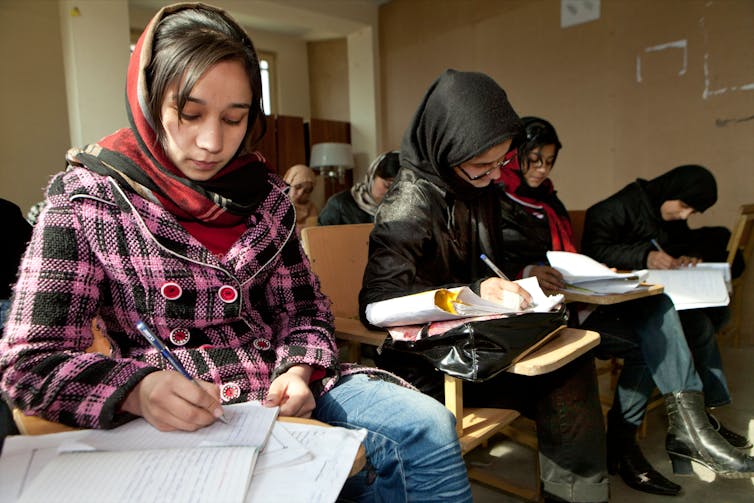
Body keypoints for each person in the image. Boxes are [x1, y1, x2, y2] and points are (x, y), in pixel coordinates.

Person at [0, 5, 474, 501]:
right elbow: (30, 364)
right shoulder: (87, 200)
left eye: (234, 118)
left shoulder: (265, 195)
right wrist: (137, 390)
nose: (211, 142)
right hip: (170, 419)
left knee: (427, 425)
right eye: (190, 113)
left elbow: (304, 310)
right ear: (147, 100)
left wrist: (297, 369)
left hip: (275, 391)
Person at [359, 70, 609, 503]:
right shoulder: (410, 201)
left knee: (571, 362)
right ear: (446, 147)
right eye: (483, 165)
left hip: (479, 342)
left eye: (502, 163)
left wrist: (518, 278)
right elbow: (377, 305)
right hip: (429, 364)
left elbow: (494, 260)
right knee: (564, 374)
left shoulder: (476, 189)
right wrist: (474, 292)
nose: (496, 176)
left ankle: (578, 494)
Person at [496, 117, 754, 495]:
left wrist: (594, 272)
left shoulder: (551, 201)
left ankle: (672, 432)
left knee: (660, 315)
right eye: (533, 160)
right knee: (657, 336)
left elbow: (571, 256)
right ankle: (638, 441)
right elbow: (487, 263)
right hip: (535, 315)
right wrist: (527, 269)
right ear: (514, 157)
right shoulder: (496, 200)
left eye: (549, 161)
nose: (542, 169)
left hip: (574, 302)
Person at [318, 151, 399, 225]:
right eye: (387, 186)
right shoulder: (339, 205)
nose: (391, 192)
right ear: (372, 177)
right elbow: (318, 238)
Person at [282, 164, 319, 232]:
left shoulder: (311, 208)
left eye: (307, 191)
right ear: (287, 185)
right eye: (297, 187)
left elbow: (314, 230)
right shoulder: (279, 206)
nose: (300, 193)